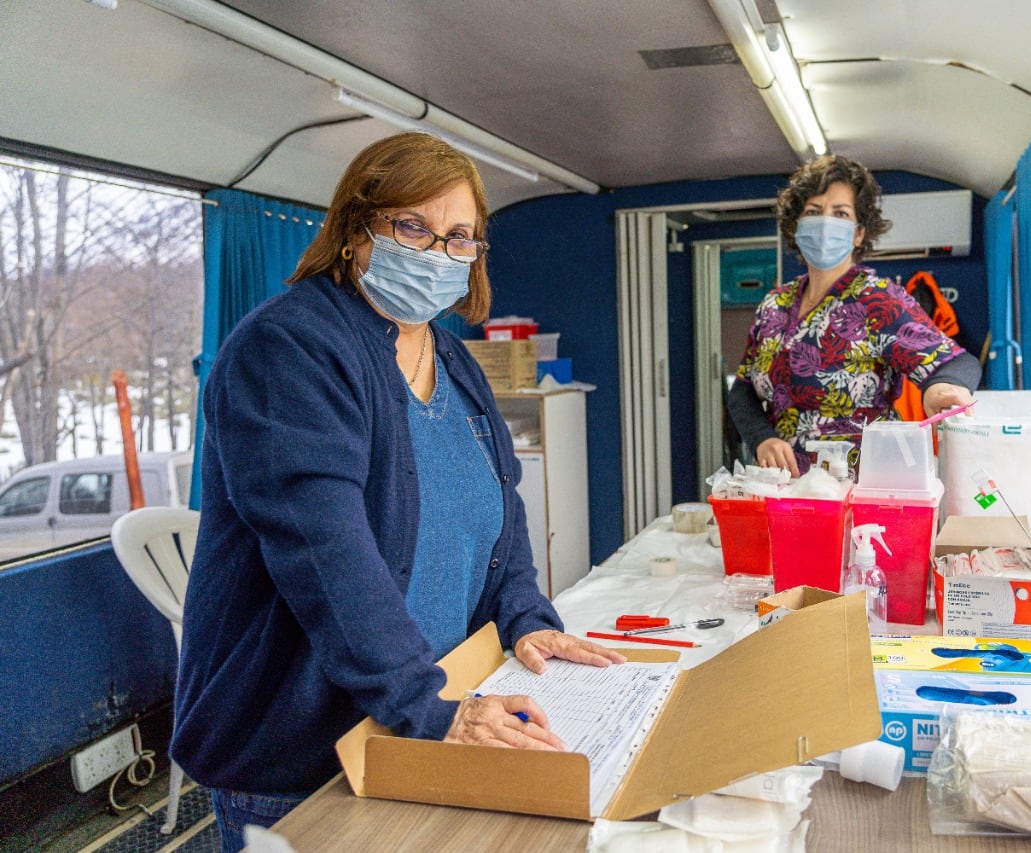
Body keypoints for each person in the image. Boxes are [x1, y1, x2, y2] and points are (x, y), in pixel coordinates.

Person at [171, 132, 625, 852]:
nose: (435, 252)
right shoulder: (288, 349)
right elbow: (329, 558)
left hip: (417, 722)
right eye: (412, 226)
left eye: (459, 238)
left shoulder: (451, 355)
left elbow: (499, 520)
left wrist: (526, 616)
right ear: (356, 230)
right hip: (303, 752)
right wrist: (437, 711)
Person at [728, 155, 979, 477]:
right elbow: (743, 389)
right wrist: (762, 438)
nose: (825, 223)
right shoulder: (774, 305)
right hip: (784, 489)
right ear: (796, 226)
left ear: (859, 233)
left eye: (840, 214)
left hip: (862, 489)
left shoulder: (878, 300)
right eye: (814, 212)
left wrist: (942, 387)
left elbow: (956, 362)